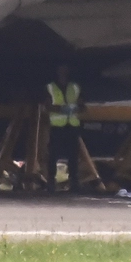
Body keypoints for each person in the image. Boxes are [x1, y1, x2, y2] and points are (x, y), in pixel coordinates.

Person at [45, 64, 82, 193]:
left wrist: (76, 108)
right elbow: (48, 105)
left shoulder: (74, 87)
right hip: (58, 126)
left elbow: (82, 104)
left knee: (73, 155)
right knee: (53, 155)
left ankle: (74, 182)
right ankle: (51, 181)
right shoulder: (51, 87)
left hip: (72, 125)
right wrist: (61, 109)